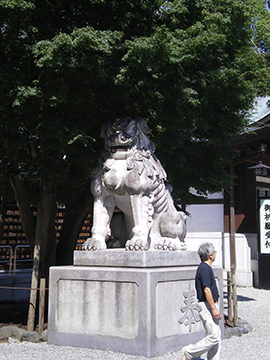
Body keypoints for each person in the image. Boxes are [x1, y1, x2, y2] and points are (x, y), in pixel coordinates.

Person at [182, 242, 221, 360]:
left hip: (209, 304)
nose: (215, 254)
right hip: (206, 305)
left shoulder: (206, 268)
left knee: (216, 336)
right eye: (214, 252)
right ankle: (189, 352)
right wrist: (213, 308)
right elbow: (206, 290)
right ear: (210, 255)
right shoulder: (204, 268)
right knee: (213, 336)